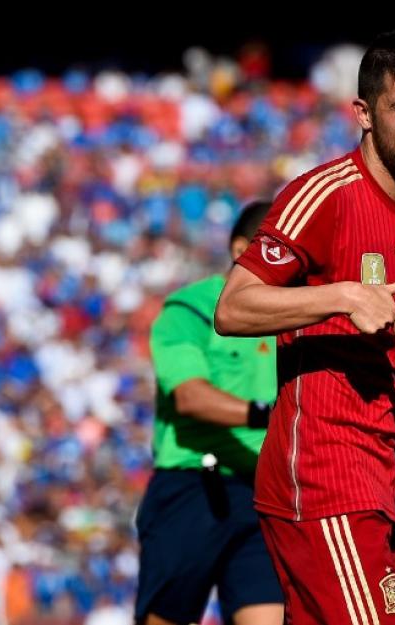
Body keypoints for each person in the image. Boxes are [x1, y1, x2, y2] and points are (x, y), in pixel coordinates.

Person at [215, 30, 395, 625]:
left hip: (374, 483)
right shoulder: (324, 195)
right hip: (321, 480)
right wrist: (340, 296)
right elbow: (233, 308)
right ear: (363, 114)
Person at [135, 200, 284, 625]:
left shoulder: (297, 319)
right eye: (277, 249)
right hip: (194, 485)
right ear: (241, 250)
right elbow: (191, 397)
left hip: (262, 493)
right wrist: (267, 415)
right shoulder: (191, 310)